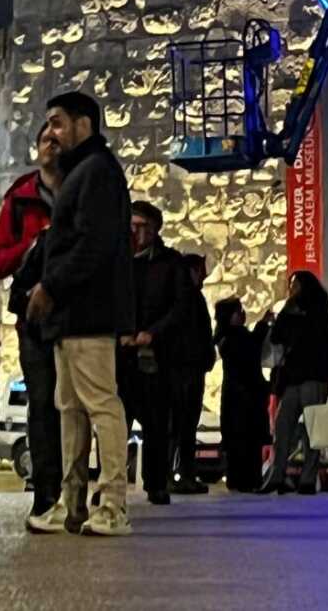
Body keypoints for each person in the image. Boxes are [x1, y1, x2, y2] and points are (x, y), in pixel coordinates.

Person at [25, 91, 134, 538]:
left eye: (57, 122)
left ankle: (112, 504)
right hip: (71, 316)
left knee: (100, 405)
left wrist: (51, 286)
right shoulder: (81, 172)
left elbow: (93, 242)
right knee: (69, 408)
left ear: (83, 123)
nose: (51, 133)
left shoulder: (98, 171)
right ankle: (70, 503)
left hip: (89, 311)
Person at [0, 118, 62, 518]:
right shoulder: (21, 198)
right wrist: (33, 245)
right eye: (46, 138)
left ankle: (75, 489)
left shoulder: (86, 190)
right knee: (43, 404)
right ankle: (46, 492)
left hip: (79, 316)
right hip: (34, 320)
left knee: (80, 405)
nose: (52, 144)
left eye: (58, 137)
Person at [117, 200, 190, 505]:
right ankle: (112, 484)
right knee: (115, 422)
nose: (138, 233)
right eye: (133, 226)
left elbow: (181, 306)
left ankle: (156, 483)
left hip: (157, 357)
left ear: (156, 229)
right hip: (121, 356)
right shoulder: (117, 262)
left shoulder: (171, 263)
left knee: (157, 422)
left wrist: (154, 333)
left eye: (144, 227)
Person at [258, 271, 328, 496]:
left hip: (312, 376)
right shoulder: (293, 309)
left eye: (295, 284)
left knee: (312, 430)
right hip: (294, 377)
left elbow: (322, 342)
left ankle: (307, 479)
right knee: (284, 426)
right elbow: (278, 337)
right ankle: (278, 475)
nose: (291, 288)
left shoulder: (317, 309)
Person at [168, 253, 215, 494]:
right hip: (186, 369)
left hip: (189, 368)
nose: (204, 276)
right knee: (182, 425)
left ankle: (180, 474)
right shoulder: (187, 298)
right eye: (200, 270)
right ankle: (177, 474)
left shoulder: (190, 297)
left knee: (183, 425)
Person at [215, 297, 272, 492]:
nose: (242, 314)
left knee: (237, 443)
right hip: (245, 401)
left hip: (235, 398)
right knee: (247, 442)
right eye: (238, 311)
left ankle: (238, 479)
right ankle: (249, 480)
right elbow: (252, 350)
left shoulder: (224, 338)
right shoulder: (235, 338)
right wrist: (263, 325)